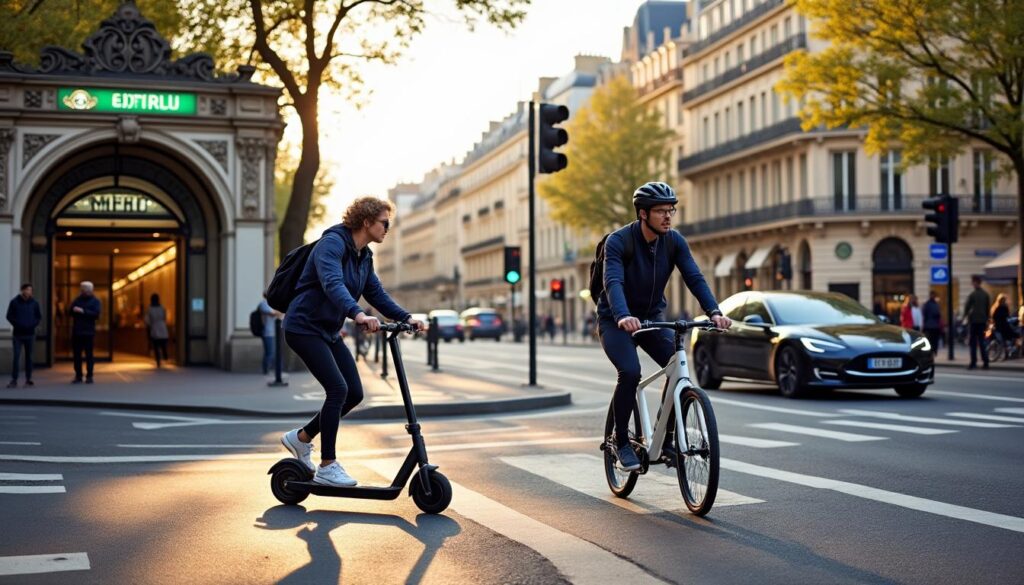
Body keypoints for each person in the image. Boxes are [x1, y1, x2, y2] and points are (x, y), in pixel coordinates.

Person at [279, 196, 425, 487]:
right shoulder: (331, 245)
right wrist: (357, 314)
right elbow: (332, 283)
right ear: (367, 221)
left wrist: (406, 317)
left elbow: (376, 293)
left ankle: (301, 438)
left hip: (328, 331)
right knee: (337, 389)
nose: (387, 228)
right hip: (303, 327)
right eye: (384, 223)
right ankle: (327, 465)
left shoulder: (364, 256)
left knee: (354, 393)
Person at [597, 181, 731, 471]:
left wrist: (714, 311)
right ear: (643, 214)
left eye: (671, 210)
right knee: (630, 372)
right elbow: (613, 281)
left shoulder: (674, 241)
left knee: (677, 365)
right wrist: (622, 315)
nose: (668, 216)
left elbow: (694, 277)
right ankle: (621, 441)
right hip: (616, 320)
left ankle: (666, 438)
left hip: (653, 317)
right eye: (660, 211)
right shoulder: (618, 241)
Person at [6, 283, 42, 388]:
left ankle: (28, 379)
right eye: (27, 290)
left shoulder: (34, 303)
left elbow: (38, 317)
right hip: (18, 335)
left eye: (30, 290)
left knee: (29, 358)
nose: (29, 292)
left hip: (30, 334)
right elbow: (9, 316)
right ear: (22, 290)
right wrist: (17, 324)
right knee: (16, 357)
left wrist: (32, 325)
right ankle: (14, 380)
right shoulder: (14, 302)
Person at [70, 281, 101, 384]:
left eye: (86, 290)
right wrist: (74, 310)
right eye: (83, 289)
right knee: (77, 355)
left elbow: (96, 314)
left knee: (89, 355)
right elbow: (69, 312)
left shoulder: (95, 301)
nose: (84, 291)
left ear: (90, 290)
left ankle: (89, 375)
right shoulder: (77, 300)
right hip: (77, 331)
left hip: (88, 332)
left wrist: (83, 311)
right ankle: (78, 375)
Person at [963, 275, 991, 369]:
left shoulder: (973, 295)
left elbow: (967, 307)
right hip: (982, 321)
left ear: (976, 282)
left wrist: (965, 317)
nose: (972, 284)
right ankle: (985, 362)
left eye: (973, 282)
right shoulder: (985, 294)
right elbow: (988, 309)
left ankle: (973, 363)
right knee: (982, 342)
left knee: (973, 343)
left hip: (974, 321)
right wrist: (987, 319)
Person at [258, 293, 282, 374]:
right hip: (267, 332)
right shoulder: (264, 303)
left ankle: (270, 369)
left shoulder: (270, 304)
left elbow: (279, 314)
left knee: (272, 352)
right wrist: (278, 311)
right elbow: (274, 314)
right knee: (269, 353)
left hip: (273, 332)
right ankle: (266, 370)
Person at [144, 293, 170, 368]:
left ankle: (158, 360)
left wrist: (149, 325)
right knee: (163, 343)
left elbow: (147, 320)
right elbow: (165, 317)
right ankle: (165, 355)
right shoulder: (162, 307)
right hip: (162, 326)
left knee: (156, 345)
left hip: (154, 327)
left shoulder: (149, 309)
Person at [922, 291, 943, 355]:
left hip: (932, 325)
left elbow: (924, 314)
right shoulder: (932, 304)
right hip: (931, 325)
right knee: (932, 340)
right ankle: (933, 351)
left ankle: (933, 351)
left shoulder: (930, 304)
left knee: (933, 340)